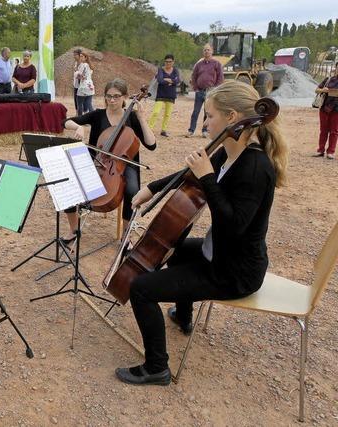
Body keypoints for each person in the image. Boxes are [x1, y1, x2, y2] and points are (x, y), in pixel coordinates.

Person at [116, 80, 288, 386]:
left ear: (232, 117)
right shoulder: (229, 152)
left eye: (209, 115)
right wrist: (151, 188)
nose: (204, 121)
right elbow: (191, 174)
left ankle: (156, 367)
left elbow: (234, 227)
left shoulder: (254, 167)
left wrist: (209, 178)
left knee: (141, 288)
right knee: (179, 249)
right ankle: (183, 316)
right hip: (221, 253)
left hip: (234, 272)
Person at [62, 79, 157, 244]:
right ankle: (73, 230)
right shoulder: (98, 115)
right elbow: (65, 121)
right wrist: (79, 127)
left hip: (124, 165)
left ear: (125, 97)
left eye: (116, 96)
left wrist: (141, 119)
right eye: (108, 96)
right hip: (97, 162)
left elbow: (151, 145)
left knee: (132, 190)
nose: (112, 100)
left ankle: (126, 236)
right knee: (69, 185)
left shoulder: (132, 117)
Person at [187, 44, 223, 138]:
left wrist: (215, 89)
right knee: (195, 112)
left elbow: (220, 77)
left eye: (208, 50)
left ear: (212, 51)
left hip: (210, 92)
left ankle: (205, 131)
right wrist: (196, 88)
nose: (206, 51)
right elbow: (194, 76)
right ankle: (191, 130)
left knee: (207, 113)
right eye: (205, 50)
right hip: (200, 91)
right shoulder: (199, 64)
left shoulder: (216, 64)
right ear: (203, 52)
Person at [148, 54, 180, 137]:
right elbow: (160, 80)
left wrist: (168, 80)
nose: (168, 63)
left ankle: (163, 130)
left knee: (167, 114)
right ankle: (149, 129)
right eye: (166, 62)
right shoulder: (160, 70)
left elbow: (178, 81)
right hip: (161, 94)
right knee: (156, 112)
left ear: (173, 62)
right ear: (164, 62)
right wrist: (171, 81)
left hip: (171, 95)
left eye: (170, 62)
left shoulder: (175, 70)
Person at [313, 66, 338, 159]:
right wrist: (323, 90)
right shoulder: (328, 79)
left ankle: (331, 152)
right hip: (324, 108)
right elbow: (316, 90)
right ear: (336, 68)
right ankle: (320, 150)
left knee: (334, 131)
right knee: (323, 130)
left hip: (336, 110)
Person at [75, 50, 96, 115]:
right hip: (90, 86)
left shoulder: (83, 65)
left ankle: (80, 119)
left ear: (85, 57)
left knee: (80, 104)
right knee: (89, 104)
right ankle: (93, 118)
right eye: (80, 56)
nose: (80, 58)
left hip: (83, 86)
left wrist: (76, 71)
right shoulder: (90, 65)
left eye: (82, 56)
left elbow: (79, 75)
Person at [72, 48, 82, 115]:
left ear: (79, 55)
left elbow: (82, 74)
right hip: (76, 84)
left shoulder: (83, 64)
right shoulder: (75, 63)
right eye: (74, 55)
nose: (74, 56)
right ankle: (77, 113)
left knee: (80, 100)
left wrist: (76, 70)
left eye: (75, 55)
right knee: (75, 99)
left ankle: (81, 113)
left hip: (82, 85)